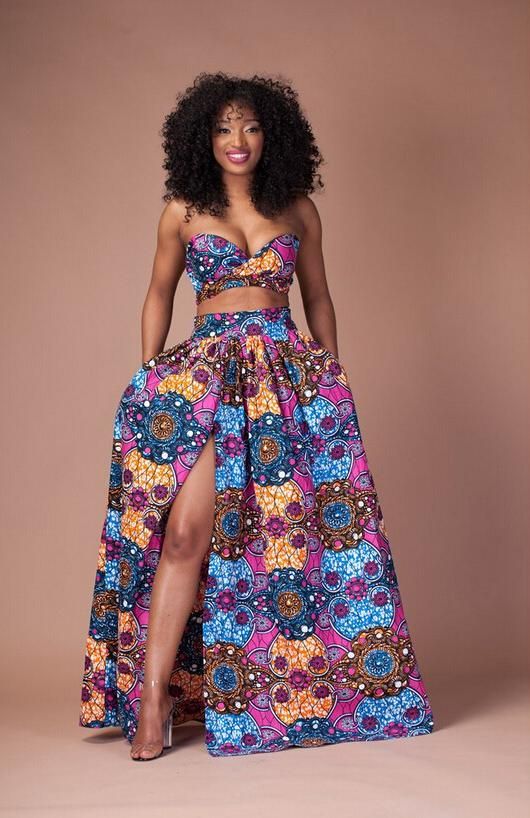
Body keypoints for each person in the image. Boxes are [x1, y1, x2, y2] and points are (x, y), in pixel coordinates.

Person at [79, 71, 434, 760]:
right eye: (222, 128)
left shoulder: (298, 210)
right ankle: (153, 696)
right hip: (204, 378)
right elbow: (158, 293)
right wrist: (149, 372)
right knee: (185, 533)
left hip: (284, 380)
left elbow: (318, 297)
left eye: (249, 126)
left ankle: (307, 691)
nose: (237, 139)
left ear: (272, 135)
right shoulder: (183, 211)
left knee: (289, 537)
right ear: (202, 139)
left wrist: (332, 374)